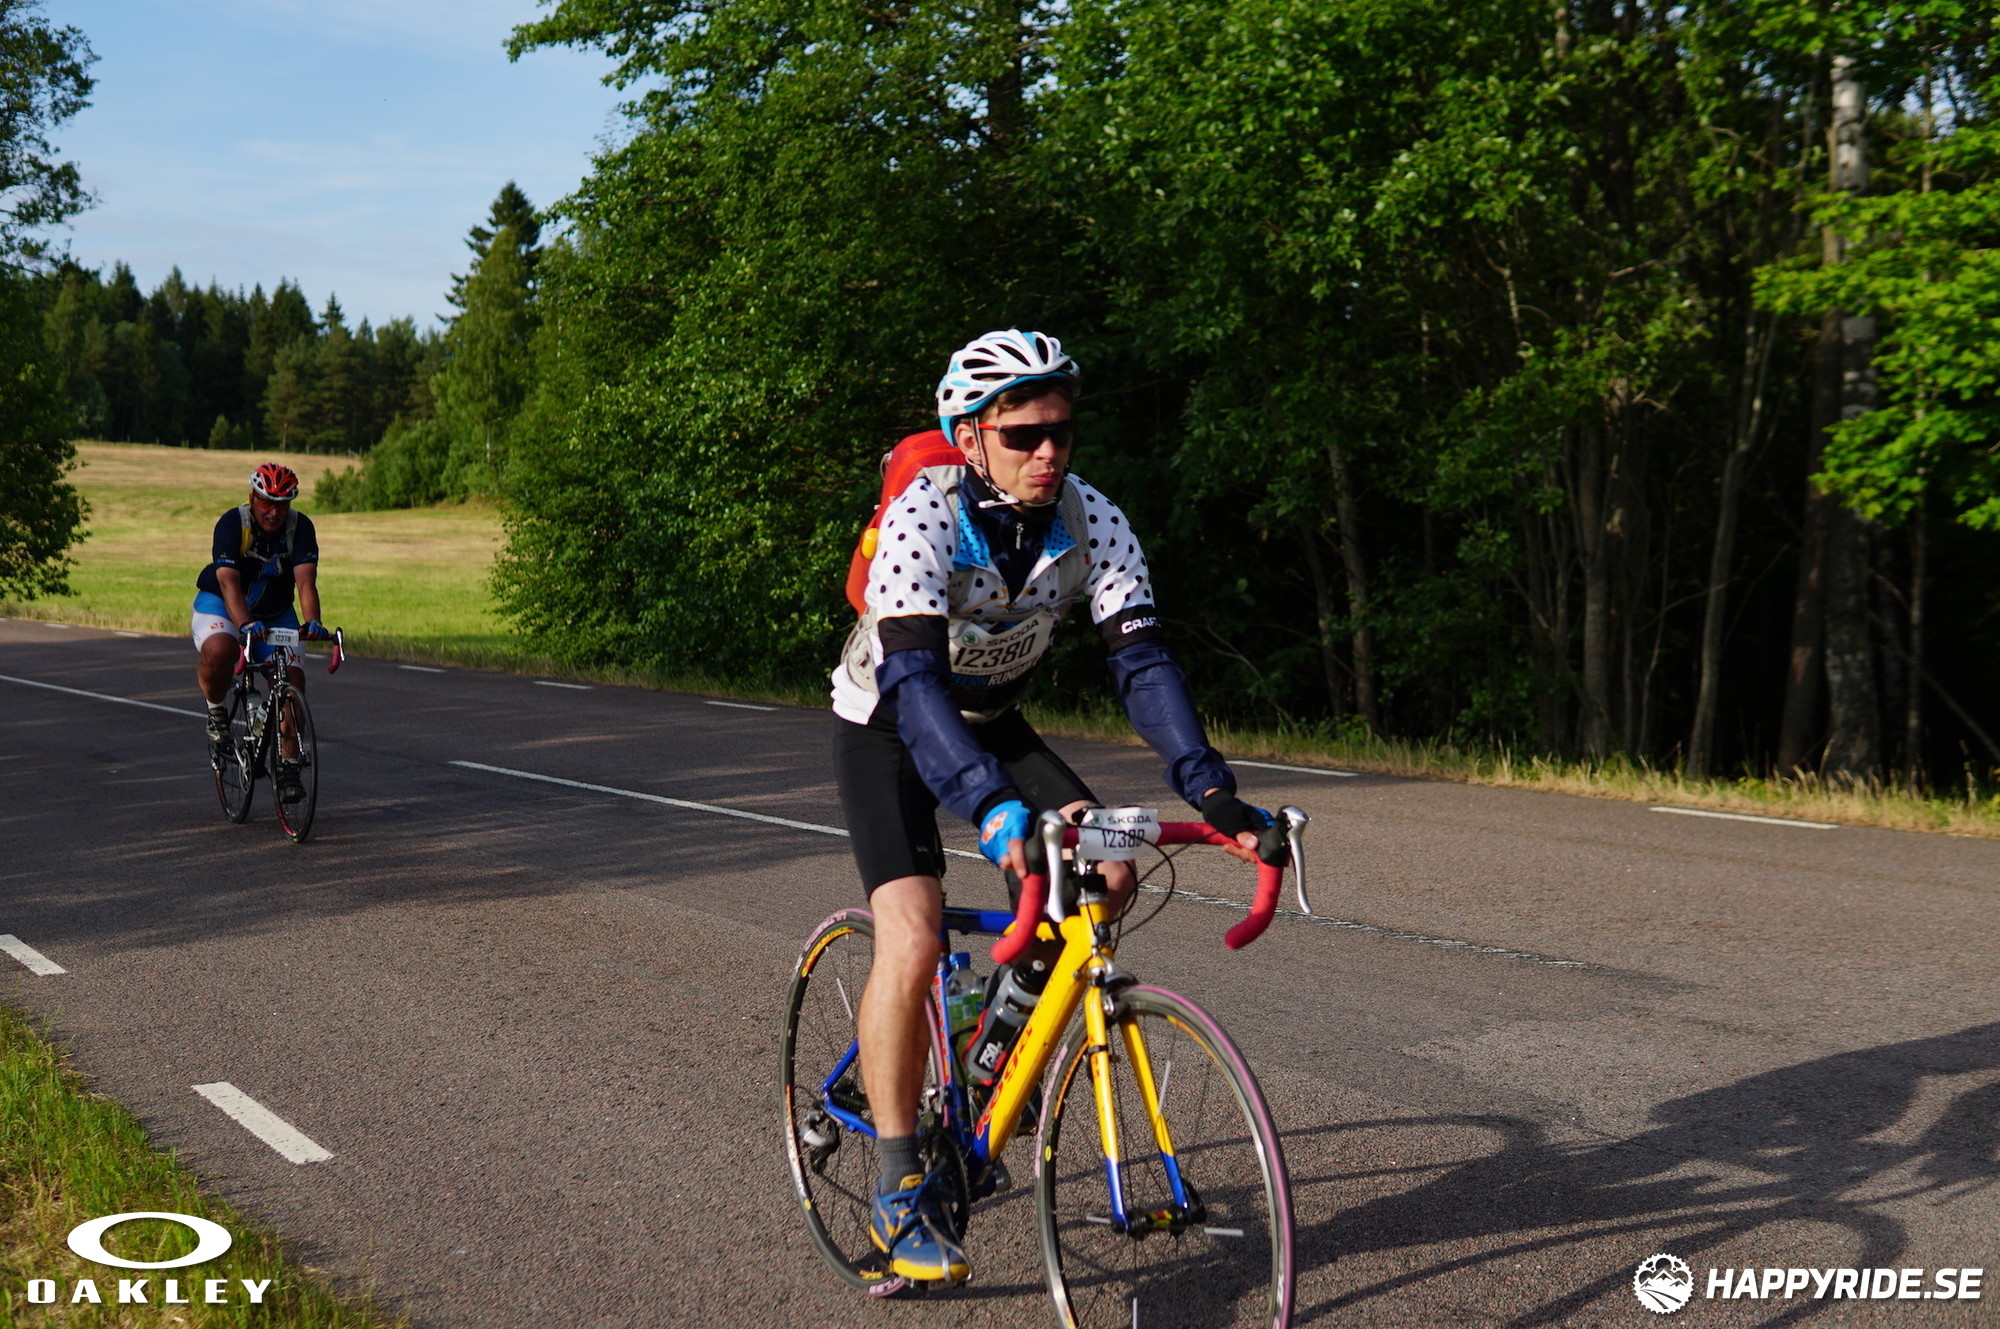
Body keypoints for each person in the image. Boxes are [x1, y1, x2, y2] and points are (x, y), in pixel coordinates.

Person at [829, 329, 1284, 1285]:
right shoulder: (924, 514)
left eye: (1062, 432)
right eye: (1024, 434)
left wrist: (1212, 790)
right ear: (970, 436)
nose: (1048, 452)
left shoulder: (1092, 517)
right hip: (891, 725)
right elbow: (915, 684)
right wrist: (989, 807)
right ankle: (900, 1184)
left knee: (1108, 871)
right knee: (912, 932)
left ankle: (993, 1044)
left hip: (993, 722)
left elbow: (1142, 661)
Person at [193, 463, 328, 802]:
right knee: (221, 650)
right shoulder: (232, 523)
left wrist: (313, 621)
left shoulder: (300, 527)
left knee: (292, 681)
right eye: (267, 502)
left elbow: (305, 582)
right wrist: (244, 625)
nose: (274, 512)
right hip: (223, 604)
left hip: (275, 611)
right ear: (252, 498)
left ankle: (289, 766)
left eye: (281, 504)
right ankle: (215, 711)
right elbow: (228, 582)